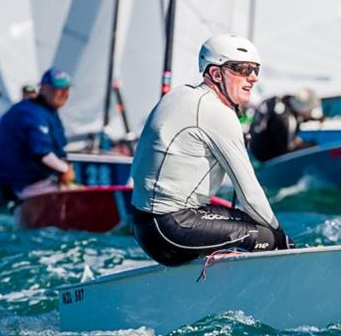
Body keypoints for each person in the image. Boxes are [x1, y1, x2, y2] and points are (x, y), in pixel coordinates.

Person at [130, 34, 293, 266]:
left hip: (145, 224)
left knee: (247, 222)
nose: (253, 78)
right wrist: (282, 239)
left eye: (256, 69)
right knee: (266, 236)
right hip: (169, 228)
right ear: (216, 74)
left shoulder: (180, 94)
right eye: (242, 69)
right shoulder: (216, 112)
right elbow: (250, 195)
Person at [0, 68, 75, 201]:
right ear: (43, 89)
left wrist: (64, 166)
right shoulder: (32, 114)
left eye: (67, 89)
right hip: (22, 186)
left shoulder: (47, 112)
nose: (64, 94)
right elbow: (42, 154)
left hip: (29, 183)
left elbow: (57, 151)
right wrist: (65, 169)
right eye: (58, 89)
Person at [248, 88, 322, 162]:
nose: (310, 113)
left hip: (253, 147)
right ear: (304, 109)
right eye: (310, 110)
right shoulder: (287, 121)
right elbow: (284, 152)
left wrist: (313, 119)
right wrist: (298, 143)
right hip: (265, 159)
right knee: (312, 146)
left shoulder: (279, 102)